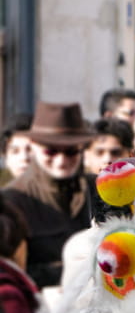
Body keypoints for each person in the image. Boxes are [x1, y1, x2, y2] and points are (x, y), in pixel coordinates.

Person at [2, 103, 94, 288]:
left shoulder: (98, 188)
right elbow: (12, 272)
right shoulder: (12, 200)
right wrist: (76, 268)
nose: (61, 161)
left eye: (70, 151)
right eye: (51, 151)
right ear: (34, 147)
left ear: (81, 149)